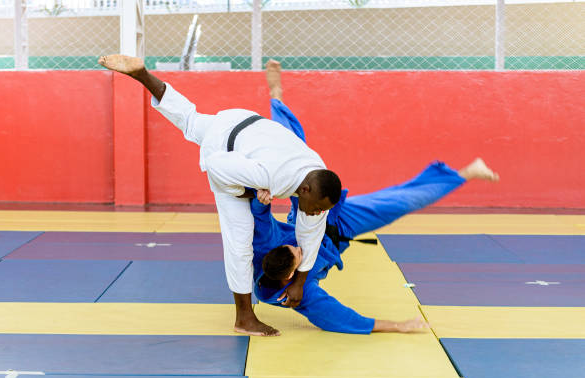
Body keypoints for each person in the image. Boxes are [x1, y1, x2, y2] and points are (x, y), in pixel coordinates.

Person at [99, 55, 342, 336]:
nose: (314, 213)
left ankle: (142, 74)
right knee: (240, 241)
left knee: (189, 119)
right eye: (315, 208)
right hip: (227, 151)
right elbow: (216, 165)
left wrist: (299, 281)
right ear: (306, 190)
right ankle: (244, 318)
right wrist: (246, 191)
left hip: (240, 122)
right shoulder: (268, 177)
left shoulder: (316, 174)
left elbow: (310, 237)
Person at [250, 60, 499, 334]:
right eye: (298, 254)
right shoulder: (301, 295)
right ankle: (465, 174)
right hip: (339, 228)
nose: (299, 249)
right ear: (289, 275)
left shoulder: (266, 249)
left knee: (291, 151)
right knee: (402, 203)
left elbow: (260, 222)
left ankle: (276, 94)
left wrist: (262, 199)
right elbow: (340, 318)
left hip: (312, 212)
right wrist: (400, 326)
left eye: (294, 248)